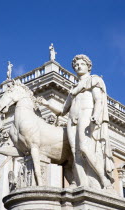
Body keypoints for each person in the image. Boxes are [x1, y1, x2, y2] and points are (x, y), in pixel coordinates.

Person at [39, 54, 114, 188]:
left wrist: (96, 115)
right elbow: (63, 110)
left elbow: (98, 100)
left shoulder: (93, 80)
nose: (78, 66)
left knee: (85, 148)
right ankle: (82, 182)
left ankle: (103, 179)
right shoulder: (73, 89)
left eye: (81, 64)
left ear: (88, 66)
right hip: (71, 120)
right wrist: (46, 104)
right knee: (75, 154)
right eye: (76, 65)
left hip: (86, 115)